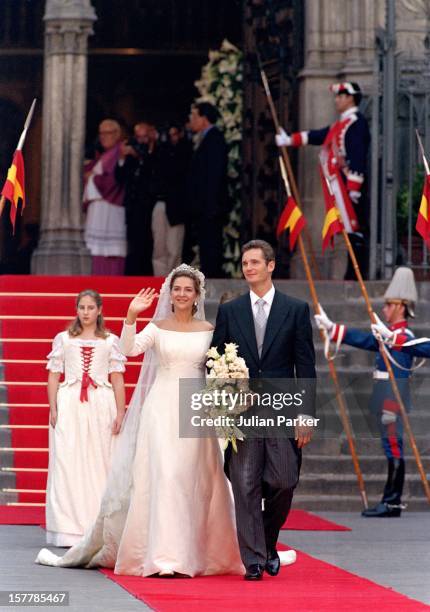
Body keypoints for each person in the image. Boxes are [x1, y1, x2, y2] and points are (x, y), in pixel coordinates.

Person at [36, 264, 244, 577]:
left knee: (196, 478)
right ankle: (165, 559)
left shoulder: (209, 330)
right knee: (165, 475)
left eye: (188, 289)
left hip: (197, 408)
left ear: (197, 294)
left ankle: (198, 553)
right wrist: (132, 316)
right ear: (170, 294)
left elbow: (221, 367)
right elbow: (128, 349)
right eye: (177, 289)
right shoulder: (157, 327)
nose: (182, 294)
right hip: (161, 407)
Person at [212, 239, 316, 580]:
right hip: (242, 413)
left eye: (255, 262)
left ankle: (268, 542)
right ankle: (254, 560)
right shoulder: (230, 311)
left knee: (284, 479)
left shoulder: (296, 309)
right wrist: (227, 394)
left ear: (271, 266)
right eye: (244, 264)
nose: (249, 268)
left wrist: (306, 414)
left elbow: (306, 365)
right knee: (244, 484)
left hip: (282, 410)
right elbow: (216, 363)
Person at [315, 267, 418, 518]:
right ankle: (390, 500)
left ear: (400, 307)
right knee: (390, 446)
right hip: (385, 398)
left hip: (392, 401)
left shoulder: (404, 336)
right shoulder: (391, 336)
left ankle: (392, 502)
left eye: (388, 305)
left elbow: (400, 374)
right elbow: (364, 340)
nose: (384, 310)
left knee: (393, 447)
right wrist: (333, 328)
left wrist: (391, 408)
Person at [45, 290, 126, 546]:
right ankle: (67, 528)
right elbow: (54, 375)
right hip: (70, 403)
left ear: (99, 310)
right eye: (82, 307)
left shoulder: (110, 341)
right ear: (77, 310)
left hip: (101, 404)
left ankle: (97, 525)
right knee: (68, 461)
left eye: (91, 307)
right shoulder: (64, 339)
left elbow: (117, 378)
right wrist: (54, 407)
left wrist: (121, 411)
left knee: (100, 461)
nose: (86, 312)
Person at [276, 82, 370, 280]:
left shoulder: (356, 123)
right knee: (343, 226)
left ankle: (354, 273)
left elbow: (358, 156)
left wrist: (354, 188)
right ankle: (347, 272)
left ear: (350, 98)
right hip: (338, 184)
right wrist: (289, 139)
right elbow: (318, 135)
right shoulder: (342, 123)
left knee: (351, 228)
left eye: (340, 96)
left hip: (348, 185)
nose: (336, 100)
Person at [188, 102, 228, 277]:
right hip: (204, 205)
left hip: (210, 205)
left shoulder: (215, 138)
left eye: (194, 115)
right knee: (206, 244)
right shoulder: (206, 137)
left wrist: (207, 204)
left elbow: (213, 174)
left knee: (211, 244)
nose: (191, 119)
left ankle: (212, 278)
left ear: (204, 118)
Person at [116, 122, 160, 276]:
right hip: (132, 205)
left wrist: (142, 154)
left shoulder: (155, 151)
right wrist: (122, 157)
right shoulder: (130, 153)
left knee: (148, 242)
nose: (141, 141)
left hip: (149, 205)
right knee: (133, 242)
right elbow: (120, 178)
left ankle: (146, 274)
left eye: (144, 137)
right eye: (138, 137)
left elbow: (154, 172)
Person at [83, 119, 127, 275]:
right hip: (97, 208)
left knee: (111, 250)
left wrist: (92, 178)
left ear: (117, 134)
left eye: (107, 133)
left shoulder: (119, 152)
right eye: (101, 133)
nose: (103, 137)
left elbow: (115, 180)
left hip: (112, 207)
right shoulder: (104, 155)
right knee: (96, 249)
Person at [151, 123, 192, 276]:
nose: (172, 138)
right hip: (160, 203)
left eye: (175, 134)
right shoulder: (161, 152)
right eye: (170, 135)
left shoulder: (186, 152)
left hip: (177, 206)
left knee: (174, 248)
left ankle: (174, 282)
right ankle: (159, 281)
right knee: (159, 247)